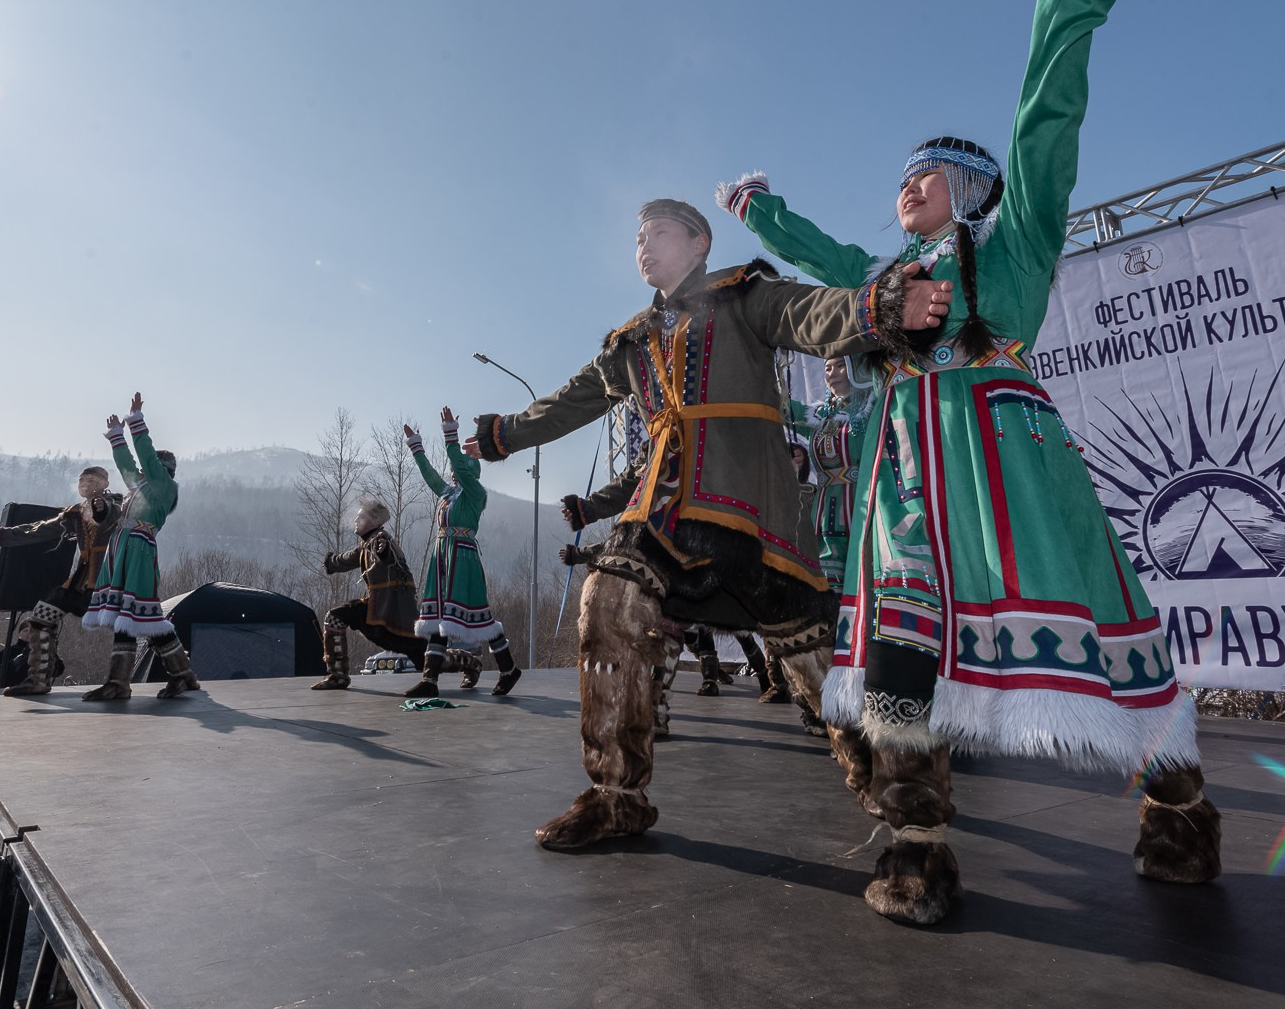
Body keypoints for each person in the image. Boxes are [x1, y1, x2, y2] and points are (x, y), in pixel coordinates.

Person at [710, 0, 1219, 923]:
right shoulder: (887, 277)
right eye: (901, 176)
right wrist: (760, 210)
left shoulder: (1014, 237)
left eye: (925, 173)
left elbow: (1047, 112)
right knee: (899, 650)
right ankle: (916, 846)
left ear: (972, 187)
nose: (906, 185)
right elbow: (824, 257)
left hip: (1008, 467)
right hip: (905, 471)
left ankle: (1177, 814)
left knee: (1103, 627)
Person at [465, 197, 950, 851]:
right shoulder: (630, 342)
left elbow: (813, 313)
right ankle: (616, 794)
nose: (644, 245)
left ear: (700, 244)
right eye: (638, 237)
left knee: (822, 673)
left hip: (754, 516)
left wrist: (882, 306)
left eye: (659, 232)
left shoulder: (743, 296)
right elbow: (570, 400)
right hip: (664, 514)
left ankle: (904, 806)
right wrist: (504, 433)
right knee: (608, 597)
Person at [82, 393, 199, 701]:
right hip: (125, 547)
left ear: (162, 469)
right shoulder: (144, 487)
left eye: (152, 467)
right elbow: (128, 466)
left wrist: (136, 422)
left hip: (138, 548)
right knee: (135, 614)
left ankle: (125, 681)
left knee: (137, 612)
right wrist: (116, 436)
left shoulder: (162, 486)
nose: (144, 471)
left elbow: (145, 457)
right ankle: (177, 674)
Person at [0, 465, 124, 697]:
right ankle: (38, 680)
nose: (85, 484)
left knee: (133, 624)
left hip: (110, 578)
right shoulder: (75, 513)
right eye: (82, 480)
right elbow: (38, 530)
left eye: (92, 480)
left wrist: (102, 508)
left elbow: (107, 515)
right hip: (82, 581)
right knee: (42, 615)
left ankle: (168, 672)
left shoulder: (117, 507)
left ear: (105, 484)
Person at [408, 409, 513, 698]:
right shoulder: (448, 495)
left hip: (463, 558)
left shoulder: (475, 494)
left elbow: (461, 468)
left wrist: (450, 435)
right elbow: (430, 475)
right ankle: (430, 679)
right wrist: (416, 447)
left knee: (480, 617)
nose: (453, 473)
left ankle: (508, 669)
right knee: (439, 614)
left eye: (459, 470)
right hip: (443, 556)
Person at [315, 498, 429, 690]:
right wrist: (331, 562)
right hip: (377, 611)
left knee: (428, 659)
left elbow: (386, 554)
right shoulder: (366, 545)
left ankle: (469, 663)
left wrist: (383, 551)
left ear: (375, 521)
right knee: (335, 617)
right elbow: (347, 559)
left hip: (394, 614)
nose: (355, 520)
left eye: (361, 517)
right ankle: (337, 675)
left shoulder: (381, 539)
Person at [0, 621, 66, 689]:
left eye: (32, 630)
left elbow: (59, 671)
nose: (29, 633)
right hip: (13, 694)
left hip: (38, 694)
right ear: (19, 633)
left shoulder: (44, 649)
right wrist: (13, 663)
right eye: (25, 630)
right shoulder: (9, 651)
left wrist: (49, 658)